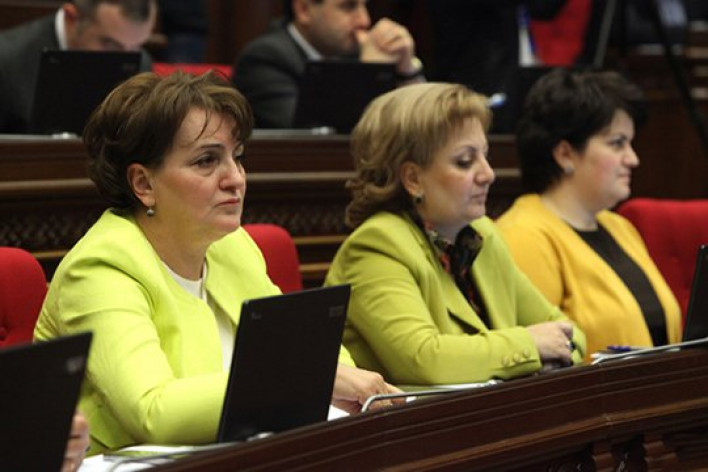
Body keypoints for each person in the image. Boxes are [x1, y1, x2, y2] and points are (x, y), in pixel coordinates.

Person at [34, 71, 400, 454]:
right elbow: (152, 412)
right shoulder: (101, 268)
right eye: (207, 161)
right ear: (143, 183)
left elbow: (320, 356)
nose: (235, 179)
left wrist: (319, 377)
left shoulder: (230, 245)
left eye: (237, 157)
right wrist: (306, 379)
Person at [324, 83, 586, 386]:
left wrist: (545, 354)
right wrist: (530, 348)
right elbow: (426, 360)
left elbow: (570, 334)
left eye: (485, 156)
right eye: (465, 161)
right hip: (412, 416)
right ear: (413, 178)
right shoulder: (376, 246)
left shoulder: (481, 235)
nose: (488, 174)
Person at [496, 68, 682, 359]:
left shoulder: (619, 226)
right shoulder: (523, 235)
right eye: (617, 143)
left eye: (630, 143)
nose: (633, 159)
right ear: (565, 154)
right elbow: (539, 360)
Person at [233, 0, 424, 129]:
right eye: (348, 6)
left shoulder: (356, 52)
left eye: (364, 6)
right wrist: (368, 73)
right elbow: (313, 134)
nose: (365, 20)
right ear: (304, 10)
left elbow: (424, 128)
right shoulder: (264, 58)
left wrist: (407, 70)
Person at [0, 0, 157, 134]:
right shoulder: (6, 61)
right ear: (71, 18)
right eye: (111, 44)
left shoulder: (140, 62)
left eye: (137, 46)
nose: (125, 59)